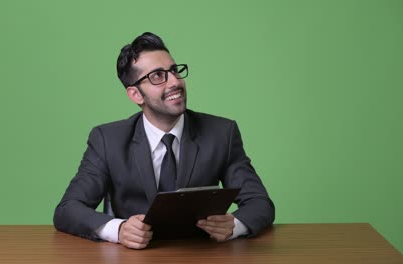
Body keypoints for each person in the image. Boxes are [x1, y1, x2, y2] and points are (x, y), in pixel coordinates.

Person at [53, 32, 275, 249]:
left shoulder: (221, 133)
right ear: (135, 95)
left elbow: (260, 203)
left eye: (174, 71)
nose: (175, 82)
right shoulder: (107, 140)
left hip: (202, 254)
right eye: (157, 76)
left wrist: (234, 225)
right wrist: (118, 230)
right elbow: (68, 209)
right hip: (134, 257)